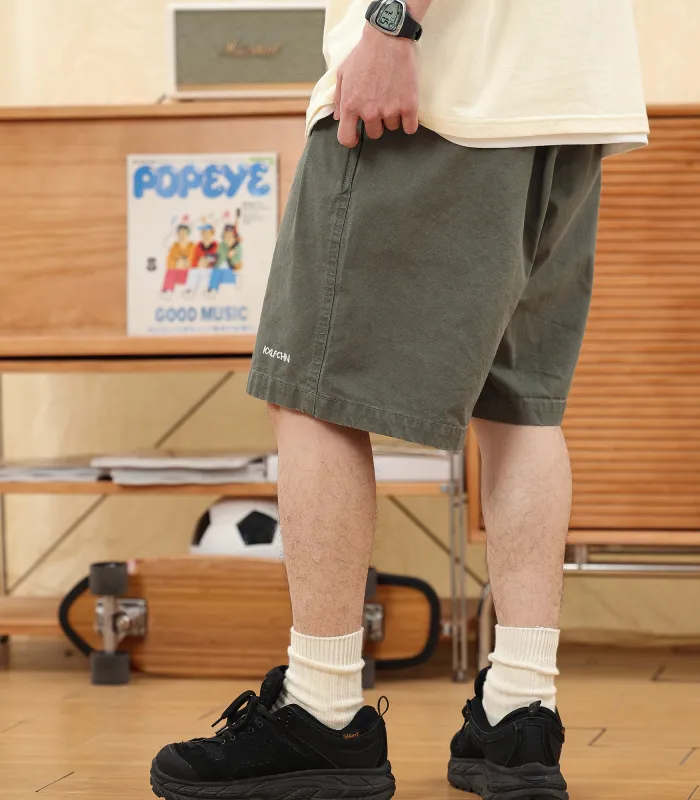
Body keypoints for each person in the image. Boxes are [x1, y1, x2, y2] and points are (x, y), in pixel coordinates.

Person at [150, 1, 648, 798]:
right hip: (570, 93)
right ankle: (520, 714)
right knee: (521, 410)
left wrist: (391, 25)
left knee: (312, 393)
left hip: (451, 85)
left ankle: (320, 710)